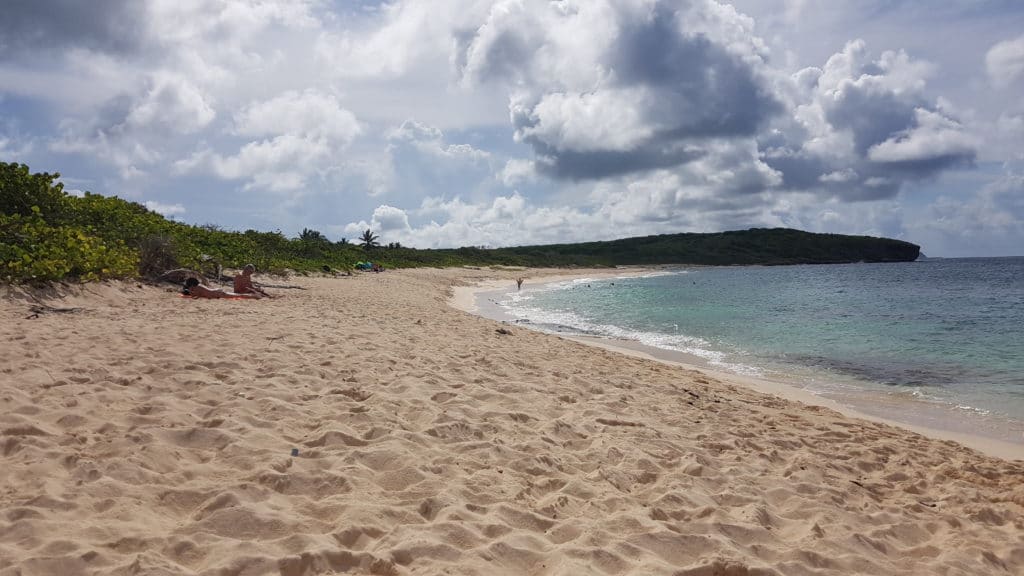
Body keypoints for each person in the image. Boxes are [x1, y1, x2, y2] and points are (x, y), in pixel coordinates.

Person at [182, 277, 260, 299]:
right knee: (237, 295)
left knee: (238, 295)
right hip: (217, 293)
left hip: (218, 293)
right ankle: (253, 295)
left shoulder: (198, 288)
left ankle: (254, 296)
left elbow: (195, 296)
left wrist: (187, 291)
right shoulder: (198, 287)